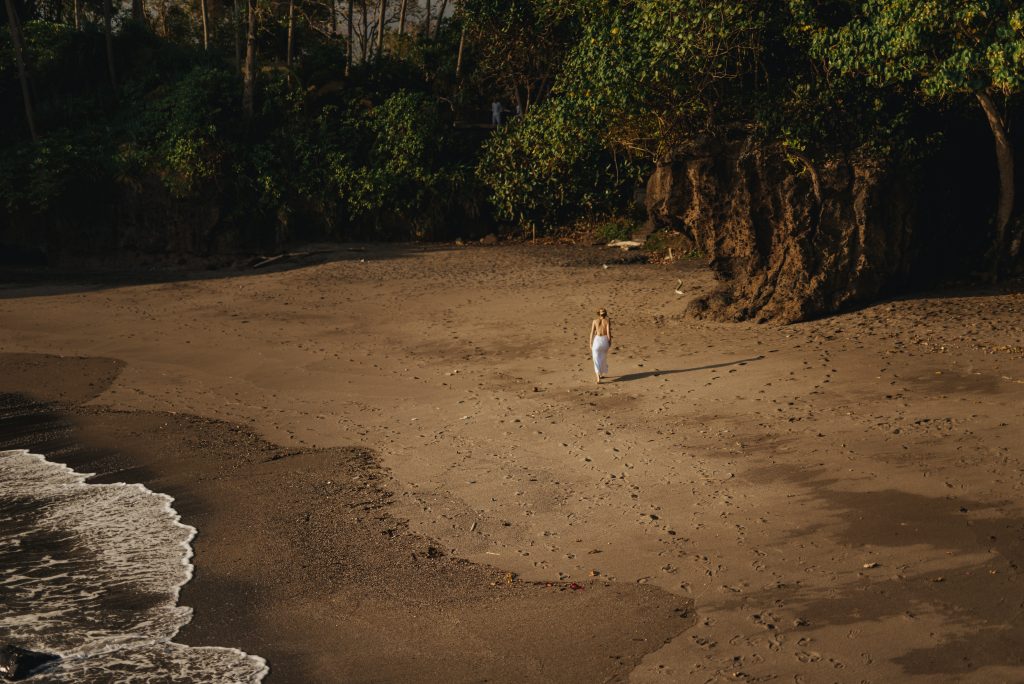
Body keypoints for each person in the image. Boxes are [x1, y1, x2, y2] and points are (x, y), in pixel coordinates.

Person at [589, 308, 612, 384]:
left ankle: (598, 377)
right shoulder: (607, 321)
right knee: (603, 358)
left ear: (599, 314)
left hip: (597, 340)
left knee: (596, 359)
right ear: (605, 314)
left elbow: (592, 333)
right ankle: (601, 373)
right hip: (604, 340)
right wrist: (609, 342)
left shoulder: (594, 321)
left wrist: (590, 343)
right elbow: (608, 332)